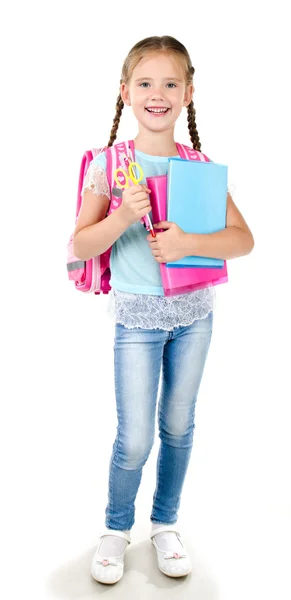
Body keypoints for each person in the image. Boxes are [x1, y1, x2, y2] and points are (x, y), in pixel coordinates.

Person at [73, 35, 254, 585]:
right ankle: (115, 527)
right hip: (137, 320)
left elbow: (243, 240)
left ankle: (166, 524)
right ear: (125, 93)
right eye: (145, 83)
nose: (158, 93)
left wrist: (186, 245)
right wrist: (122, 218)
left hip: (196, 316)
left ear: (189, 93)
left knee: (178, 425)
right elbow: (81, 246)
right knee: (135, 437)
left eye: (170, 83)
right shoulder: (110, 165)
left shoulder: (199, 166)